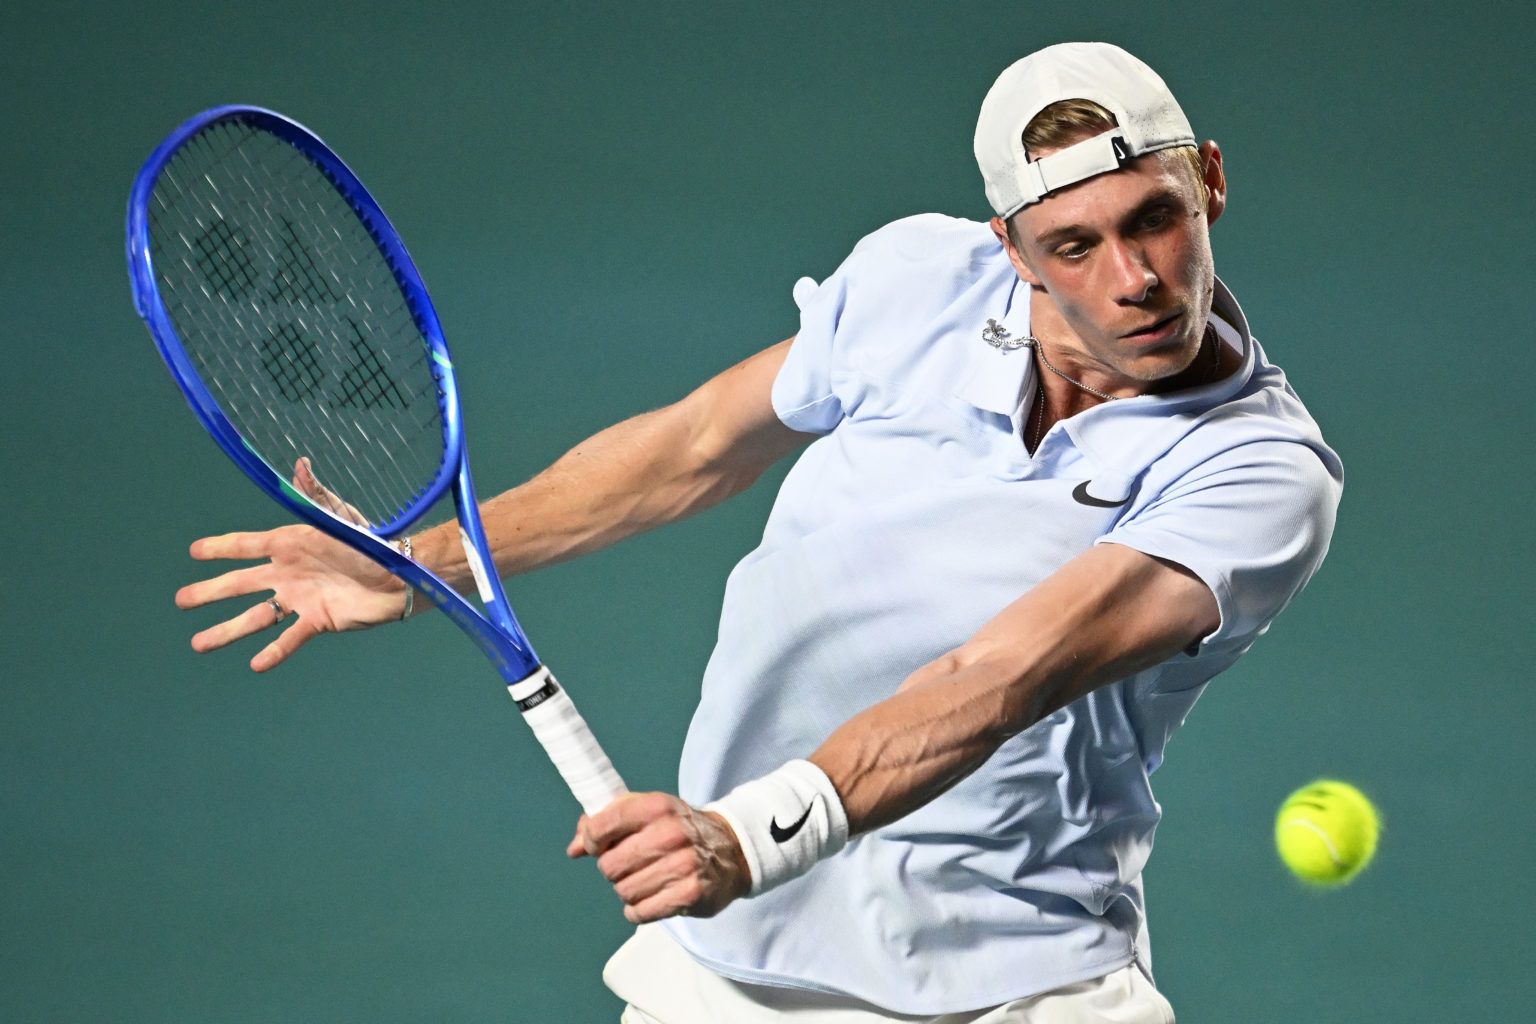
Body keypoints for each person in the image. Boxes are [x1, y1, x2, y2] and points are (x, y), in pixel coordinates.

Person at [176, 42, 1341, 1023]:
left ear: (1211, 182)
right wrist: (422, 563)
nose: (1136, 277)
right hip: (731, 970)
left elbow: (1002, 674)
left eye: (1158, 219)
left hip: (1018, 984)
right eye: (1075, 246)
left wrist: (750, 837)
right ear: (1011, 249)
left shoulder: (1260, 470)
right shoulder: (915, 281)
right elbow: (694, 448)